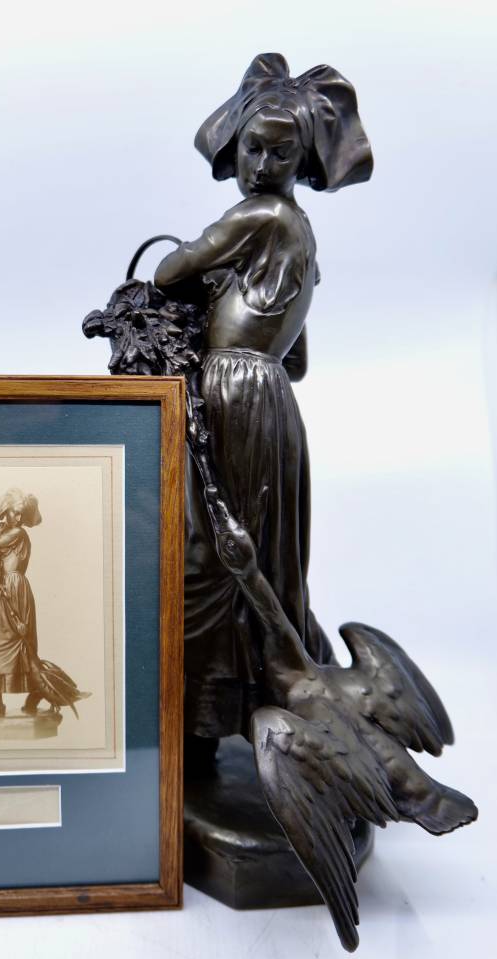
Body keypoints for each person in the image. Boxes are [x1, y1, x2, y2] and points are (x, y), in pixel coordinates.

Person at [154, 54, 373, 754]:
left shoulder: (259, 215)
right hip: (270, 399)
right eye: (253, 148)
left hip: (231, 392)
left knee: (213, 549)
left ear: (302, 161)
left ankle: (202, 716)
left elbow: (169, 269)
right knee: (253, 549)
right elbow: (296, 359)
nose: (260, 165)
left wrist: (210, 284)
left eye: (280, 154)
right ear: (237, 145)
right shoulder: (301, 233)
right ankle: (245, 701)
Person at [0, 488, 45, 719]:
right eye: (15, 512)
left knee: (13, 644)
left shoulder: (17, 533)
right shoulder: (10, 531)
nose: (19, 518)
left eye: (22, 514)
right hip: (3, 588)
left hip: (12, 589)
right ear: (6, 511)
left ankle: (34, 693)